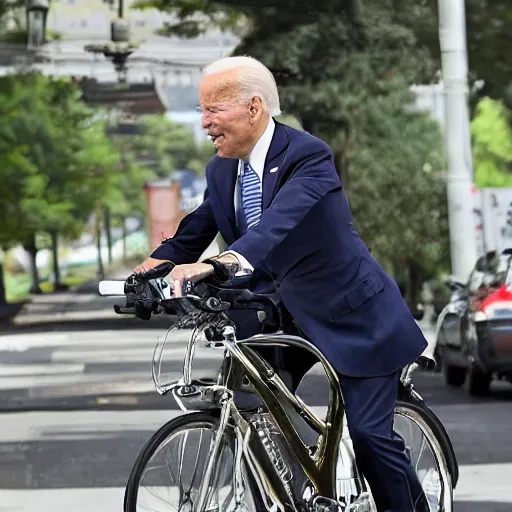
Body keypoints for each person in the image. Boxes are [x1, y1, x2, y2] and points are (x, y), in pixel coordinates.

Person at [136, 56, 430, 512]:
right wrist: (143, 277)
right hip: (276, 314)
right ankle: (296, 498)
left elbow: (275, 225)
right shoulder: (222, 169)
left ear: (254, 108)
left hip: (352, 314)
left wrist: (220, 264)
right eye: (201, 112)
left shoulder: (307, 155)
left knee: (371, 437)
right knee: (248, 408)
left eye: (213, 110)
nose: (205, 124)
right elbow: (192, 232)